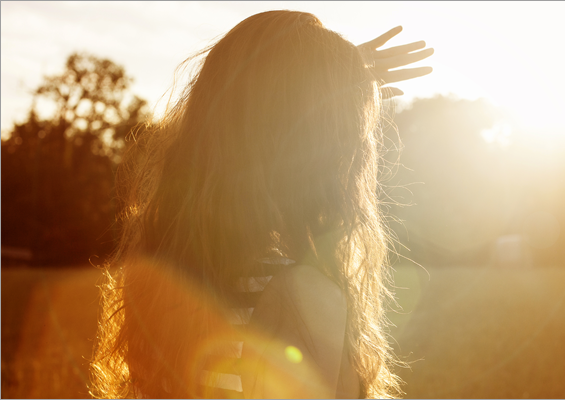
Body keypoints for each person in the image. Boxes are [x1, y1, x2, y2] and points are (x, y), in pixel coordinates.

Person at [89, 10, 433, 399]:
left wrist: (321, 73)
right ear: (320, 147)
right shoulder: (302, 296)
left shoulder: (165, 272)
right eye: (350, 129)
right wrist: (327, 75)